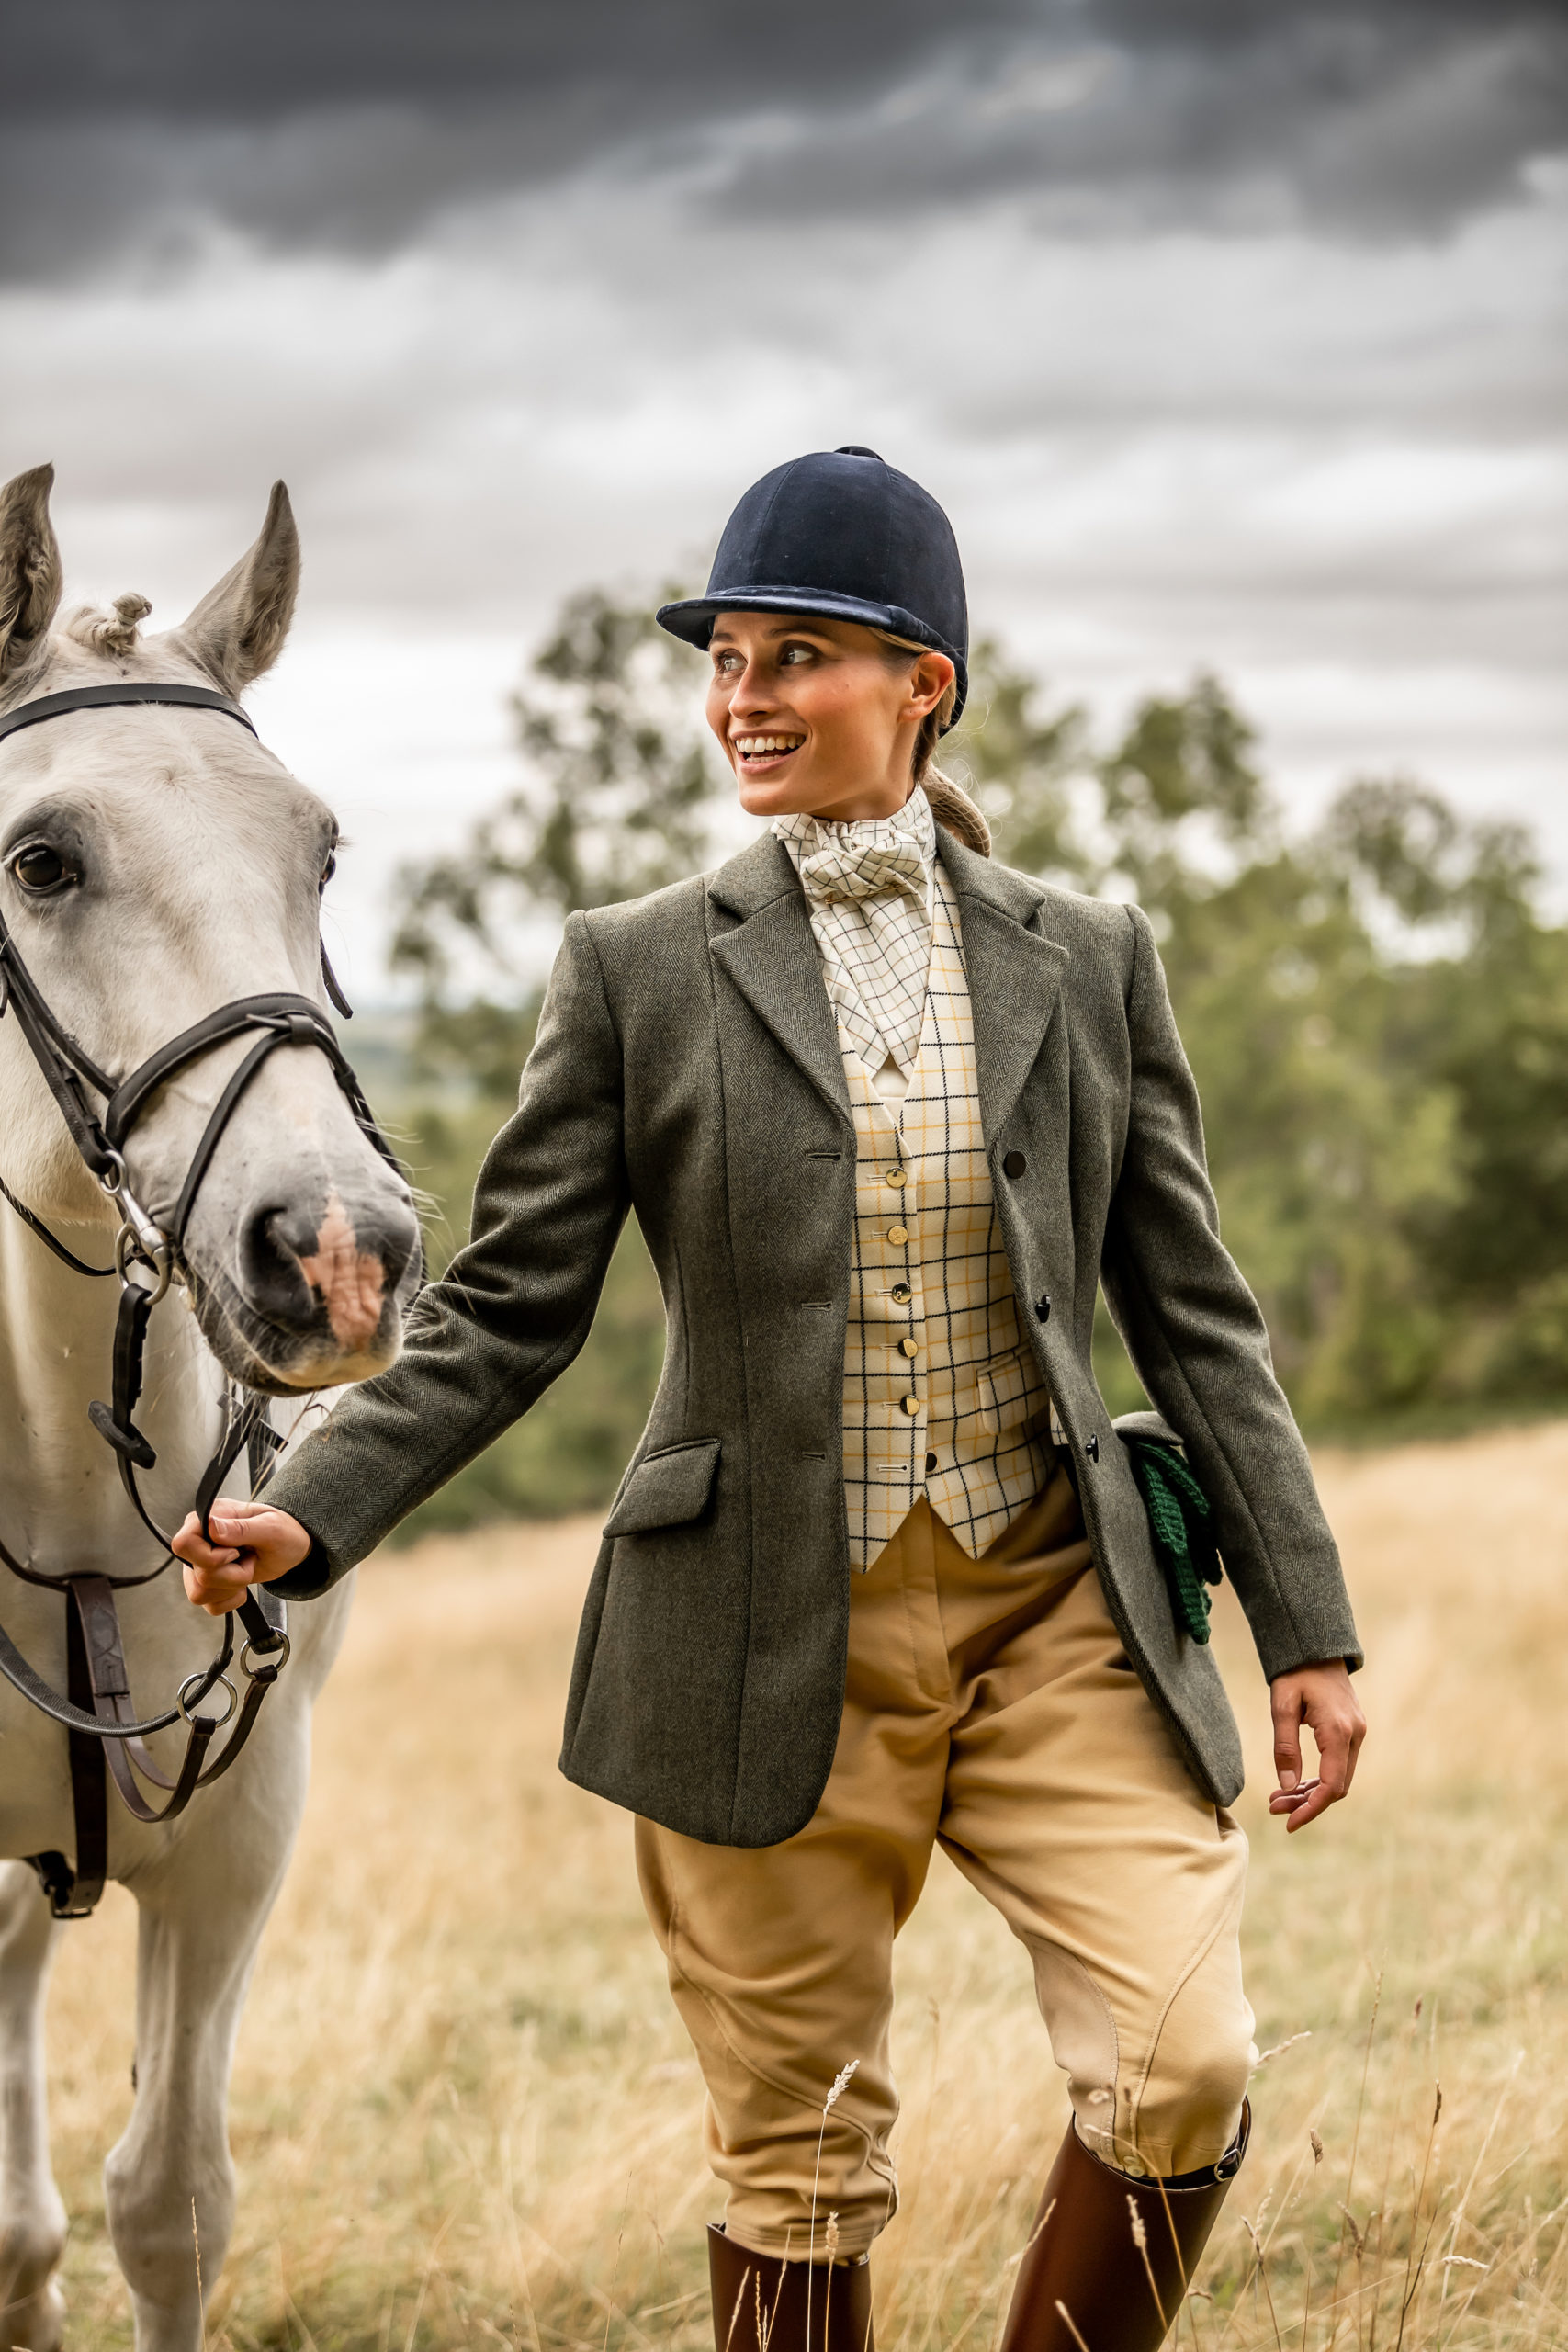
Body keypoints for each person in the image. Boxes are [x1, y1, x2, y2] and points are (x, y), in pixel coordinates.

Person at [174, 447, 1366, 2352]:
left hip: (1054, 1607)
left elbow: (1192, 1311)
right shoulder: (633, 972)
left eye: (793, 654)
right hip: (751, 1629)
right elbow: (505, 1309)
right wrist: (313, 1502)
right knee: (796, 2158)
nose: (740, 694)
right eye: (724, 654)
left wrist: (1306, 1619)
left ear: (922, 686)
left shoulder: (1089, 954)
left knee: (1182, 2060)